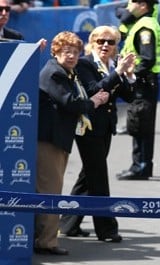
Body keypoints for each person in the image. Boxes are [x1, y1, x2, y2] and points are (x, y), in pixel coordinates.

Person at [59, 26, 136, 243]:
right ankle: (107, 230)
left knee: (88, 177)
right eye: (101, 41)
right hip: (89, 128)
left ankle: (68, 223)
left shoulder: (112, 65)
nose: (105, 45)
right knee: (99, 178)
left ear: (115, 47)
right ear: (92, 42)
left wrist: (129, 75)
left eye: (110, 42)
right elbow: (93, 89)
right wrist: (118, 73)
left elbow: (129, 97)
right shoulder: (85, 63)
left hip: (106, 128)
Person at [34, 31, 109, 255]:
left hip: (58, 140)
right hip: (49, 140)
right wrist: (94, 101)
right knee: (50, 191)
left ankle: (42, 238)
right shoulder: (54, 73)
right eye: (67, 51)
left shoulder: (67, 72)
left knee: (51, 190)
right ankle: (46, 242)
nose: (72, 56)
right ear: (55, 52)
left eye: (76, 52)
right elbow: (71, 103)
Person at [116, 0, 160, 180]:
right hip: (146, 82)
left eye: (134, 3)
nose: (129, 6)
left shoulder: (145, 28)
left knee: (140, 125)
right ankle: (141, 166)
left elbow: (147, 58)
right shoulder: (143, 23)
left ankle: (140, 167)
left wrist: (130, 73)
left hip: (143, 82)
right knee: (140, 124)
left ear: (143, 6)